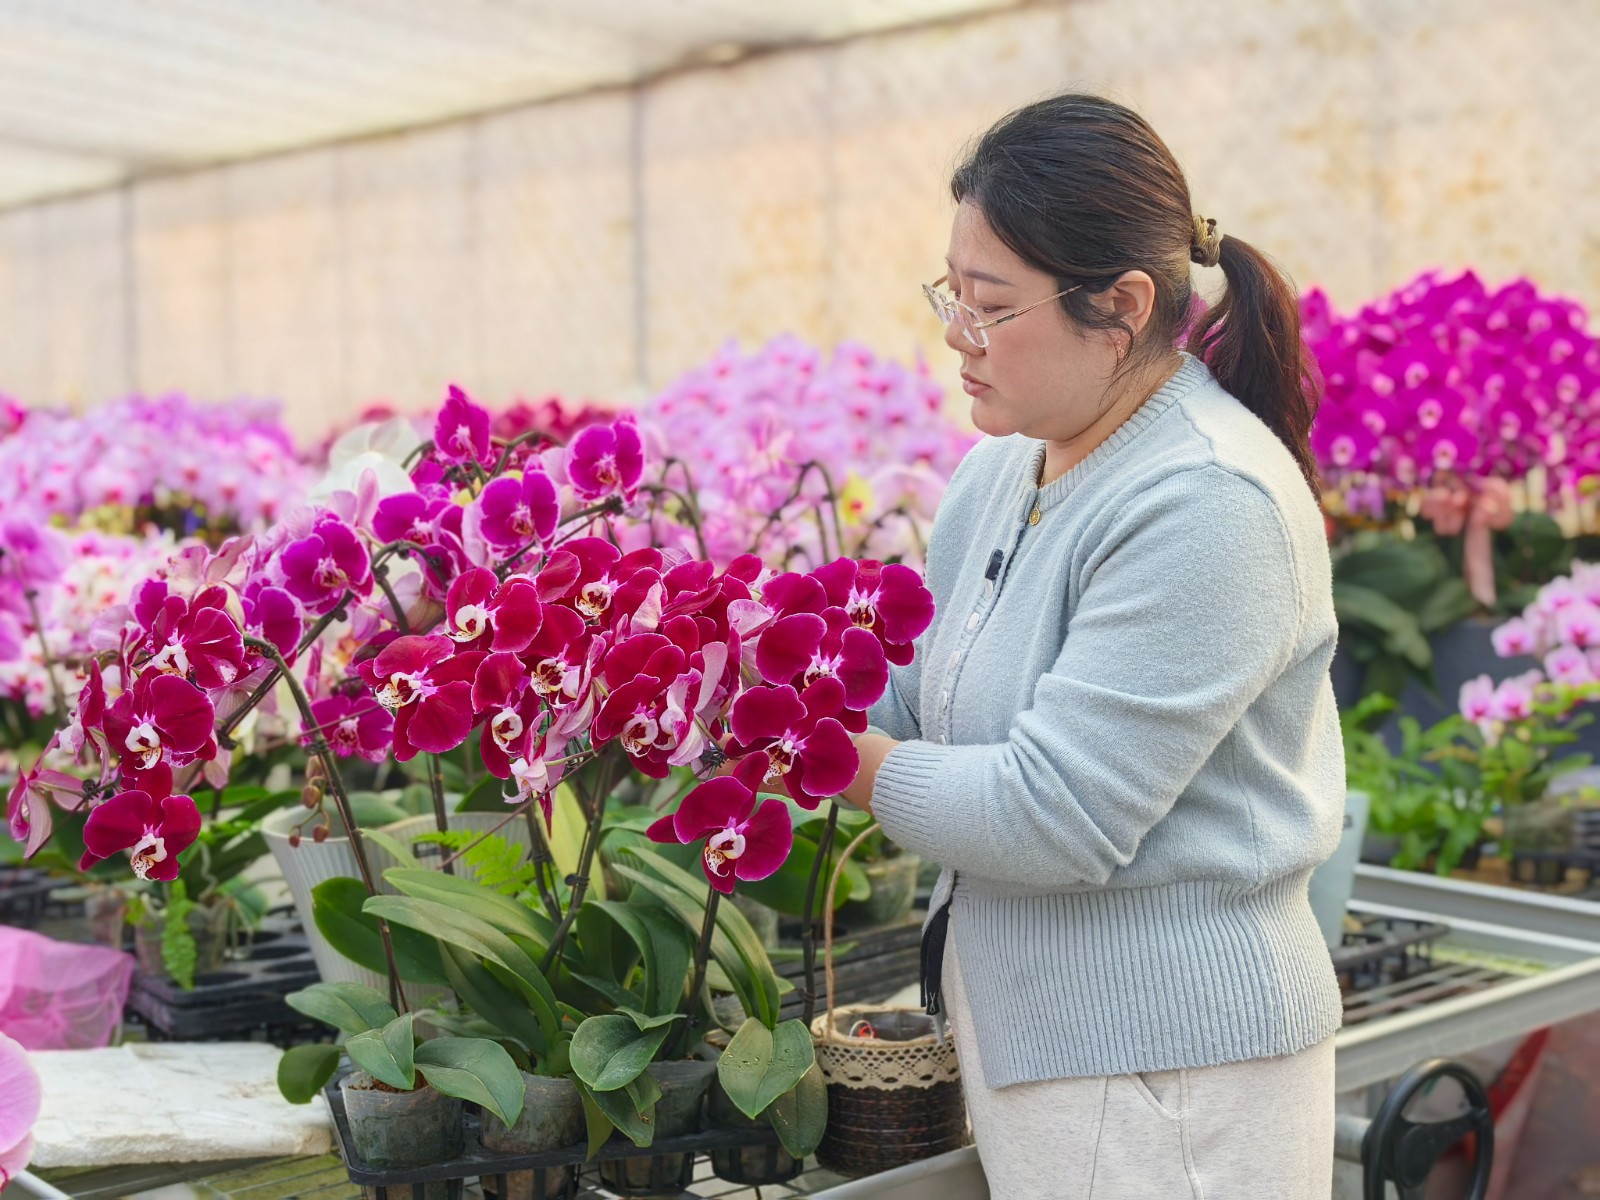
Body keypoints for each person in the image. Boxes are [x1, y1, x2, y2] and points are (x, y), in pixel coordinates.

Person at [838, 93, 1344, 1198]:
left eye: (990, 305)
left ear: (1120, 305)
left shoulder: (1207, 501)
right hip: (1053, 1051)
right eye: (950, 294)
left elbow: (1052, 815)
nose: (955, 336)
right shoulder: (1003, 468)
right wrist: (755, 680)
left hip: (1175, 1075)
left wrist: (828, 762)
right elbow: (914, 695)